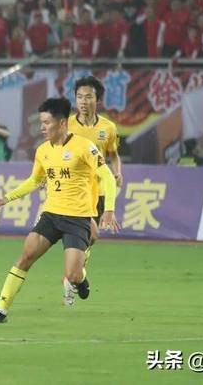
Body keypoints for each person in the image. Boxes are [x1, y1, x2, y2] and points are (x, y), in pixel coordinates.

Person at [0, 97, 120, 324]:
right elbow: (35, 180)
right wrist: (6, 198)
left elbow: (107, 176)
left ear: (62, 123)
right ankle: (1, 311)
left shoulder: (84, 147)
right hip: (51, 215)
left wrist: (109, 210)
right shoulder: (43, 150)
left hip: (78, 218)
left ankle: (80, 280)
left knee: (72, 274)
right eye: (41, 122)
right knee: (26, 256)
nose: (42, 128)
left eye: (47, 123)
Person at [67, 76, 123, 269]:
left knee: (91, 236)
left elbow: (113, 154)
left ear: (98, 99)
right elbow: (53, 152)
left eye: (88, 97)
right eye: (79, 97)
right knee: (81, 232)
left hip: (98, 189)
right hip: (73, 189)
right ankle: (74, 271)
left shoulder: (108, 127)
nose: (83, 101)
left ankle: (77, 270)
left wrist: (117, 172)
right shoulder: (66, 126)